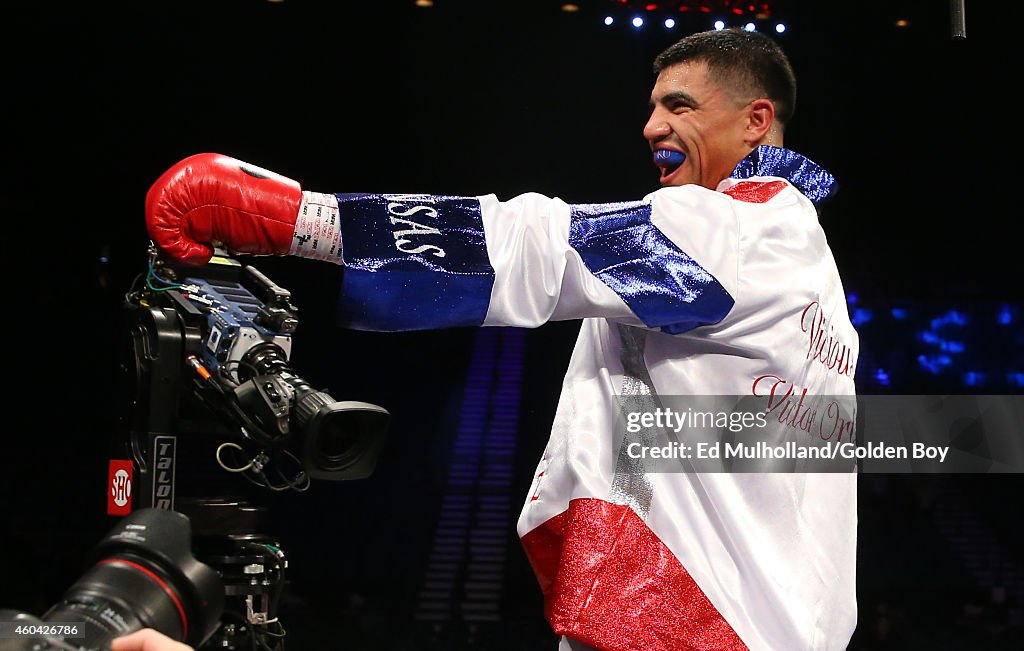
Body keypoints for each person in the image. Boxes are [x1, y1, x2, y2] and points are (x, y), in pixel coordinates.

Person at [145, 28, 859, 651]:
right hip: (774, 620)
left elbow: (537, 247)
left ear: (755, 122)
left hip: (692, 619)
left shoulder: (737, 233)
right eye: (652, 105)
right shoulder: (817, 281)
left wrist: (306, 222)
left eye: (679, 105)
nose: (649, 126)